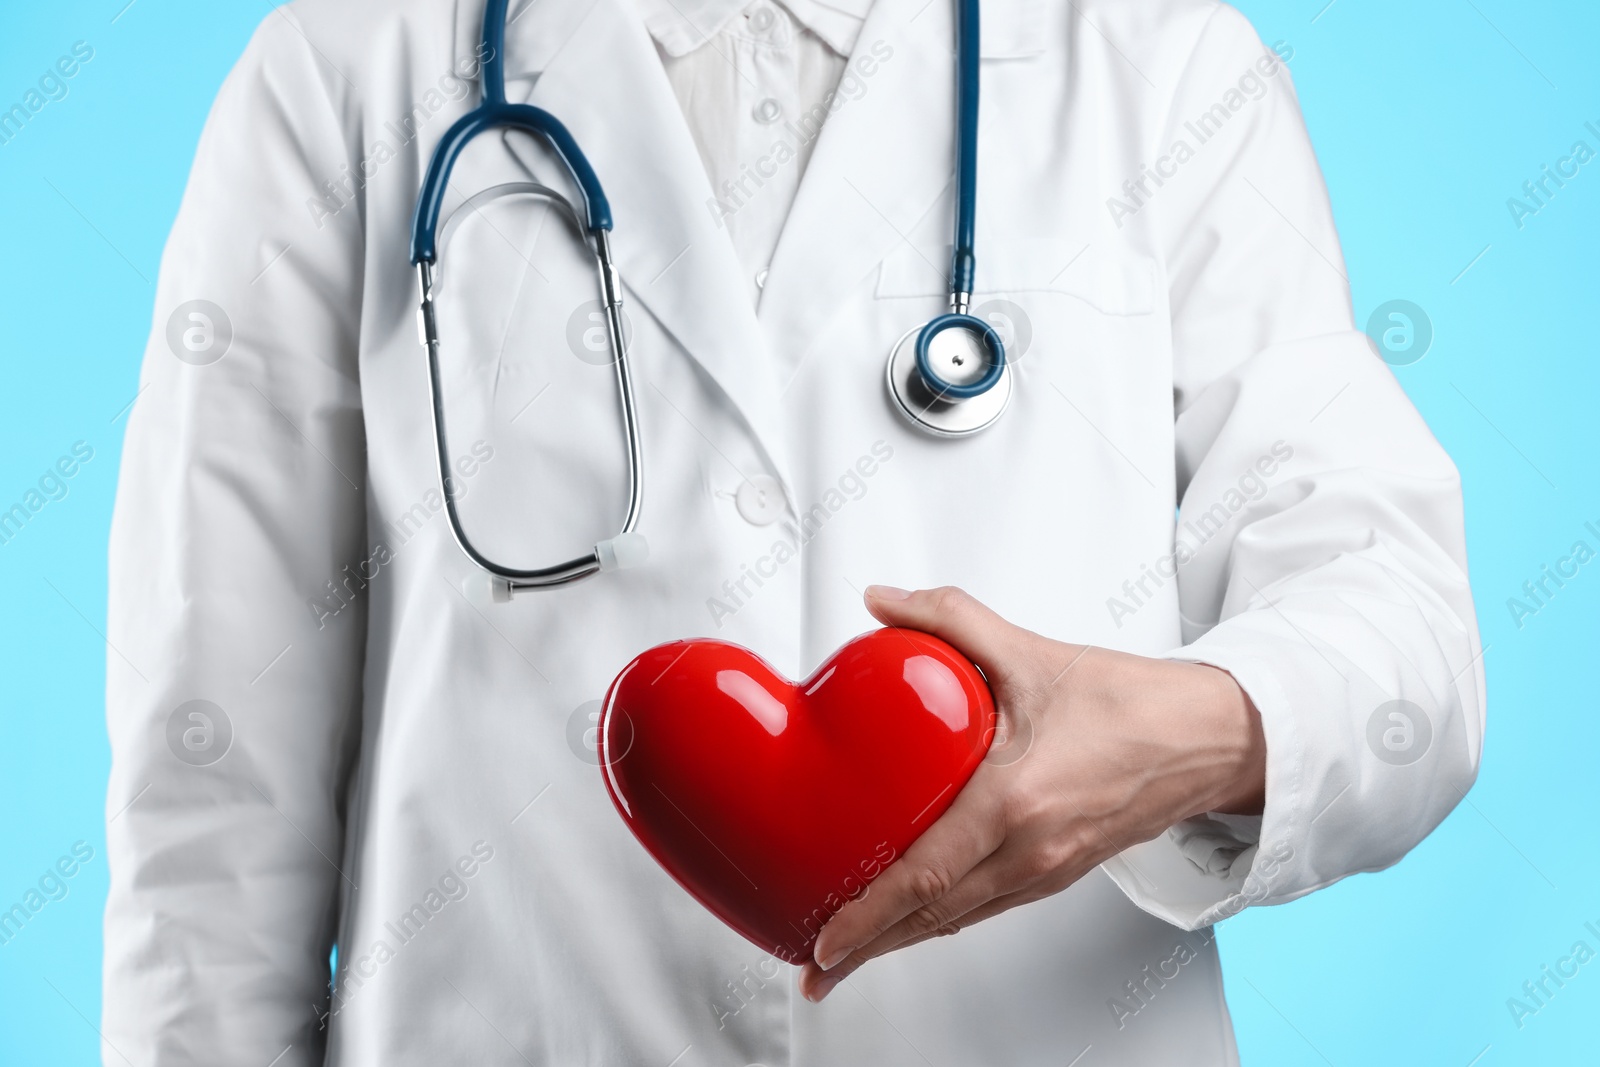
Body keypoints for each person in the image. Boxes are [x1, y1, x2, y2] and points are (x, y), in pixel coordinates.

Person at [103, 0, 1484, 1063]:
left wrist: (1184, 735)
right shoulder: (344, 70)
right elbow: (213, 788)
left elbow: (1403, 630)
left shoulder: (1157, 61)